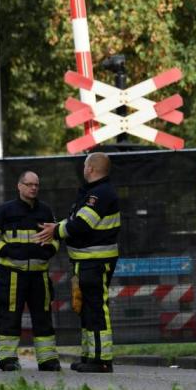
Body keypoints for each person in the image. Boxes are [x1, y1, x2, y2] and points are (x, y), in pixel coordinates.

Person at [35, 152, 120, 373]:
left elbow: (82, 224)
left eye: (85, 165)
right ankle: (90, 356)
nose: (83, 168)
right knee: (87, 310)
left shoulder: (99, 194)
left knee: (96, 309)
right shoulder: (93, 193)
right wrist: (58, 228)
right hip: (85, 261)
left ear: (91, 169)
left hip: (95, 261)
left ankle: (102, 360)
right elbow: (74, 220)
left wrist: (55, 231)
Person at [0, 171, 61, 372]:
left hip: (39, 275)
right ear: (19, 186)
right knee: (10, 317)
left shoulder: (45, 210)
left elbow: (56, 236)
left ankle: (48, 359)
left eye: (36, 184)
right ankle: (7, 359)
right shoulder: (5, 210)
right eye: (29, 184)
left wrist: (51, 250)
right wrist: (6, 250)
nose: (33, 188)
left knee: (43, 317)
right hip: (12, 275)